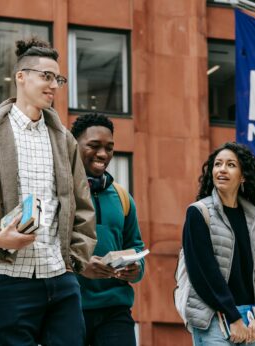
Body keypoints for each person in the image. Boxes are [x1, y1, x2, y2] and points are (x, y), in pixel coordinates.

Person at [0, 38, 96, 346]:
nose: (54, 85)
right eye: (46, 76)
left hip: (60, 276)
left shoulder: (64, 139)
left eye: (58, 79)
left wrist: (74, 261)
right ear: (21, 77)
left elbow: (82, 206)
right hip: (10, 279)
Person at [182, 142, 255, 345]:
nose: (222, 169)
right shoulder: (199, 213)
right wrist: (231, 316)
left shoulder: (254, 217)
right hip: (215, 319)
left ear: (243, 176)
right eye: (218, 164)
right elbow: (203, 273)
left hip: (250, 321)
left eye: (231, 165)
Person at [70, 113, 145, 346]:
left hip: (116, 310)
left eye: (109, 148)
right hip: (68, 309)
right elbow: (44, 245)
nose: (103, 154)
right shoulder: (59, 193)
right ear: (73, 147)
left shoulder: (123, 197)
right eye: (94, 146)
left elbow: (136, 246)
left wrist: (136, 268)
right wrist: (81, 265)